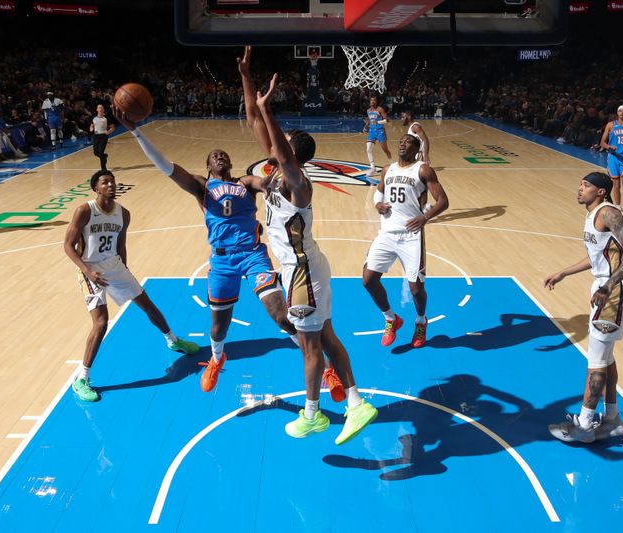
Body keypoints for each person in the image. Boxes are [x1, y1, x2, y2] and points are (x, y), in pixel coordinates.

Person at [239, 48, 377, 443]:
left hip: (303, 272)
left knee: (311, 345)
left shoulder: (300, 185)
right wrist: (248, 79)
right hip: (301, 268)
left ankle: (314, 413)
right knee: (326, 338)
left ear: (293, 156)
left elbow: (279, 149)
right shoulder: (277, 174)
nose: (272, 150)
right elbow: (253, 119)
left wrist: (270, 111)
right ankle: (355, 403)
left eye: (281, 149)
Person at [113, 110, 300, 394]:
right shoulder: (202, 186)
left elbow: (266, 185)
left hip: (253, 255)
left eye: (224, 154)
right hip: (223, 262)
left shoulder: (244, 182)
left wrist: (277, 171)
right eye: (215, 156)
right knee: (218, 329)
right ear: (208, 165)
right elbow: (165, 165)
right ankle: (216, 358)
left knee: (281, 316)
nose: (220, 156)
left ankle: (321, 362)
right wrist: (135, 130)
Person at [63, 170, 199, 402]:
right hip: (90, 268)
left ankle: (173, 341)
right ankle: (82, 379)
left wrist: (124, 269)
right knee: (101, 322)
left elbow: (121, 244)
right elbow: (67, 245)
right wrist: (88, 271)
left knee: (148, 305)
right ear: (96, 188)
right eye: (105, 182)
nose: (111, 184)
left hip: (115, 267)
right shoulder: (85, 211)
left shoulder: (123, 214)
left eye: (113, 181)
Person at [544, 172, 623, 443]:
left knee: (596, 361)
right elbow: (598, 256)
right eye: (580, 184)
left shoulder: (609, 214)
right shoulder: (593, 215)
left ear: (601, 191)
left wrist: (608, 285)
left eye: (586, 185)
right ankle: (611, 420)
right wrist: (564, 272)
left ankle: (585, 425)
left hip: (613, 292)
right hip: (608, 288)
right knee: (606, 357)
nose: (580, 189)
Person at [363, 134, 449, 348]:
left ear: (416, 148)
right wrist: (377, 205)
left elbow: (443, 201)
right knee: (368, 280)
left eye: (407, 142)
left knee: (416, 289)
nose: (402, 143)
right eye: (400, 141)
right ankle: (391, 318)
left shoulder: (423, 169)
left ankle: (421, 321)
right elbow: (378, 192)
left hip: (411, 236)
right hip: (387, 233)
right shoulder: (387, 169)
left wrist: (425, 217)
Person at [364, 95, 392, 177]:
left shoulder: (380, 109)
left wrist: (379, 122)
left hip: (380, 131)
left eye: (374, 100)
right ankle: (373, 168)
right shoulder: (368, 110)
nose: (372, 102)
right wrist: (366, 126)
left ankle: (392, 164)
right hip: (372, 131)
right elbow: (369, 120)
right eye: (371, 100)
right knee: (368, 148)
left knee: (385, 150)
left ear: (376, 102)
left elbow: (387, 120)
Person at [90, 104, 114, 171]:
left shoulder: (106, 118)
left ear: (103, 110)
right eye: (99, 108)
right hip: (96, 136)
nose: (100, 109)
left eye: (101, 108)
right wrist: (91, 128)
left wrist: (108, 132)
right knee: (95, 153)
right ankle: (104, 156)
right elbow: (91, 125)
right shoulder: (94, 118)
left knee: (100, 152)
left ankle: (104, 169)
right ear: (97, 109)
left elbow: (112, 127)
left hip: (103, 136)